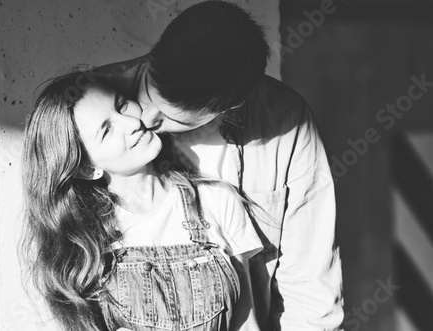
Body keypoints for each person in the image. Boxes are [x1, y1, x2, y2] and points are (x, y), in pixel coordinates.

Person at [87, 1, 345, 330]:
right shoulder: (88, 105)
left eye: (170, 117)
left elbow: (310, 287)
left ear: (229, 106)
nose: (145, 119)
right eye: (147, 91)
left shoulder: (286, 123)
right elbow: (64, 260)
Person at [20, 70, 268, 331]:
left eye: (122, 105)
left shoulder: (217, 201)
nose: (131, 123)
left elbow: (247, 322)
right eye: (107, 130)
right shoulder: (88, 245)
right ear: (87, 168)